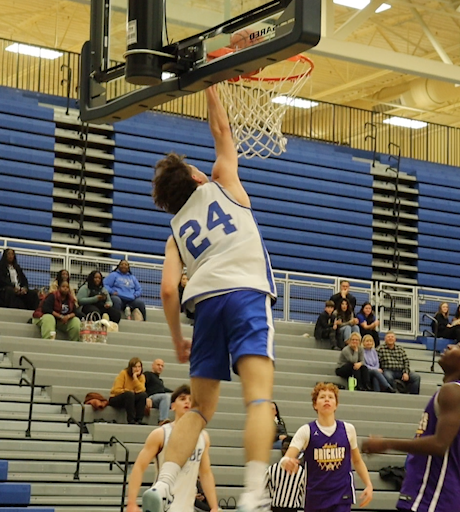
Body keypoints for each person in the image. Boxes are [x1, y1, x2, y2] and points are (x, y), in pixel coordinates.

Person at [146, 85, 279, 512]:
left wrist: (176, 341)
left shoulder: (175, 234)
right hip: (245, 294)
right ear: (197, 177)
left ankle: (164, 484)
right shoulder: (223, 182)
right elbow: (221, 126)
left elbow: (168, 289)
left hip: (204, 307)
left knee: (199, 409)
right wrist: (211, 82)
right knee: (258, 398)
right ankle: (254, 493)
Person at [362, 337, 460, 512]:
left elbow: (440, 444)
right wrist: (448, 467)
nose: (449, 345)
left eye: (458, 345)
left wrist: (386, 443)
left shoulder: (452, 392)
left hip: (431, 496)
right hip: (441, 494)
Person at [281, 383, 373, 512]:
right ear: (315, 405)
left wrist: (368, 484)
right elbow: (286, 458)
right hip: (316, 496)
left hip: (342, 495)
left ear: (336, 405)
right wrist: (287, 462)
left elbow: (357, 460)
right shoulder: (306, 430)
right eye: (322, 397)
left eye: (331, 397)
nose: (327, 399)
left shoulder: (348, 429)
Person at [125, 385, 218, 512]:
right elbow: (139, 467)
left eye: (191, 400)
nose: (187, 402)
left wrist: (214, 507)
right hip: (164, 506)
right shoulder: (160, 434)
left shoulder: (203, 437)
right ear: (173, 406)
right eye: (182, 398)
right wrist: (131, 503)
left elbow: (205, 473)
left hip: (187, 506)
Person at [265, 437, 305, 512]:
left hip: (279, 507)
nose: (285, 451)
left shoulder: (272, 469)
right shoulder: (301, 472)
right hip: (285, 507)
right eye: (285, 448)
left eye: (287, 449)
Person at [109, 357, 149, 425]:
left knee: (143, 395)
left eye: (139, 367)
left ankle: (139, 419)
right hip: (117, 397)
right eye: (135, 367)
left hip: (131, 398)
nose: (137, 369)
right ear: (131, 368)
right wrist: (128, 391)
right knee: (129, 394)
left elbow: (142, 390)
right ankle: (131, 420)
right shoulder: (123, 373)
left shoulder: (142, 377)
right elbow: (115, 390)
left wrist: (135, 378)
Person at [144, 359, 173, 425]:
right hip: (152, 398)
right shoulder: (148, 374)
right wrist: (146, 398)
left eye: (162, 366)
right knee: (166, 396)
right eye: (158, 365)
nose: (160, 367)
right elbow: (141, 386)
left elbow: (164, 389)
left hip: (161, 398)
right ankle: (162, 420)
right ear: (152, 365)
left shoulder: (160, 380)